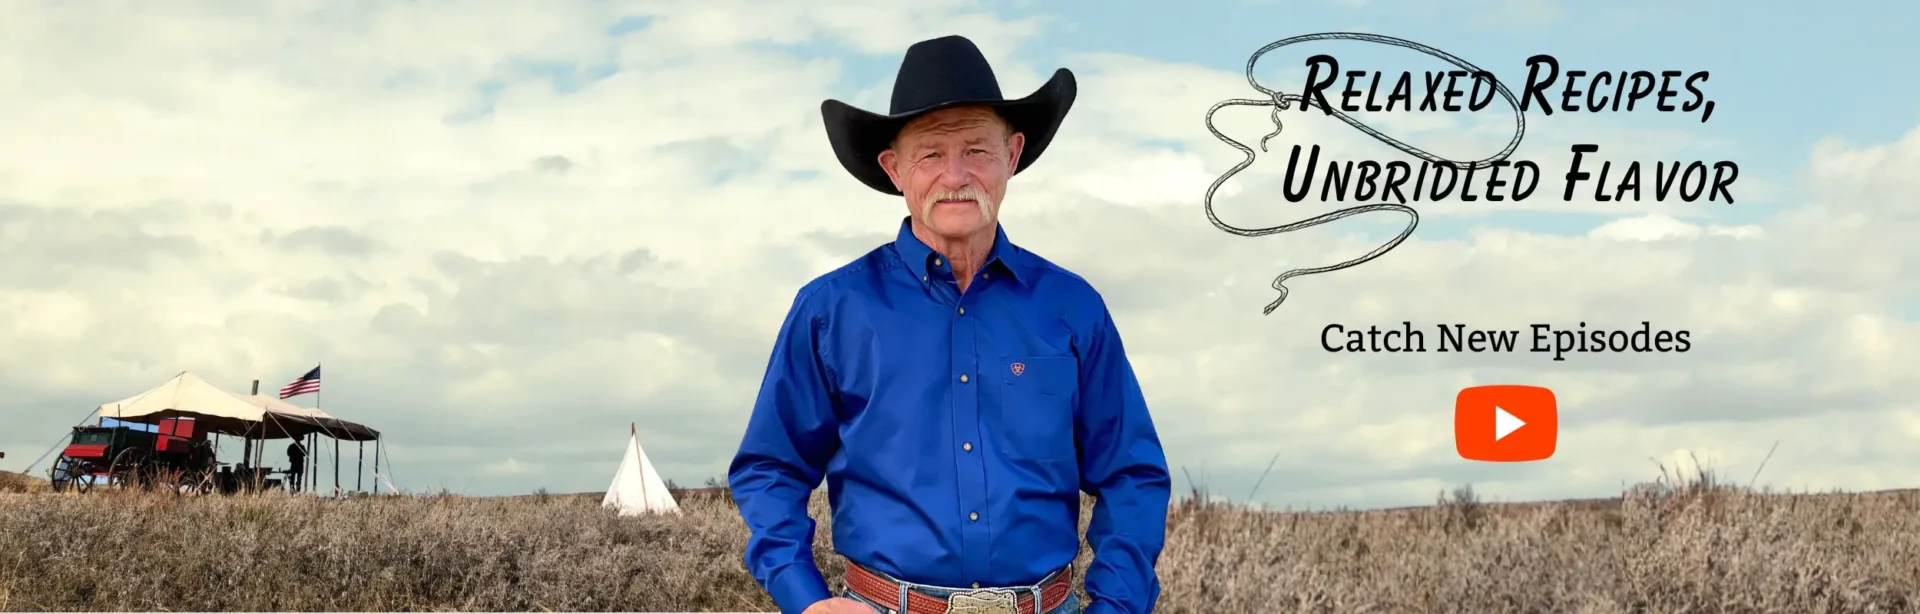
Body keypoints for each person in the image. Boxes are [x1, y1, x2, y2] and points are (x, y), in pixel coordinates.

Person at [729, 35, 1172, 614]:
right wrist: (807, 600)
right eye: (931, 154)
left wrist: (1116, 605)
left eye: (977, 150)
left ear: (1012, 155)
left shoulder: (1073, 308)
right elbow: (770, 467)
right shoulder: (830, 310)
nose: (955, 174)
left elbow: (1132, 474)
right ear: (895, 168)